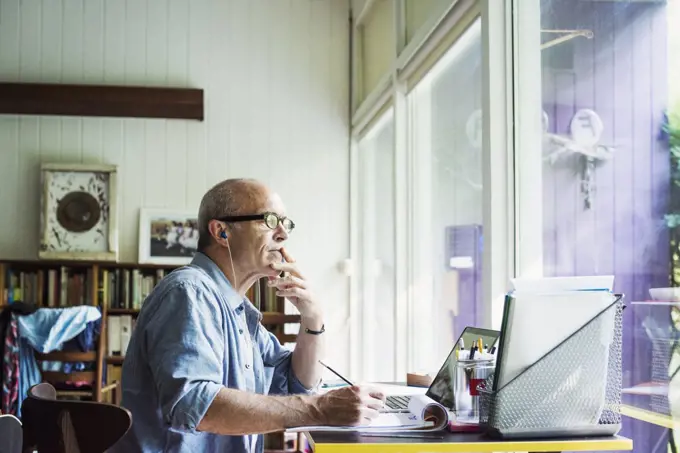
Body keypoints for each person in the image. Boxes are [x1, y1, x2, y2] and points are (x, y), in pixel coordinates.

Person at [112, 178, 385, 453]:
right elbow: (194, 405)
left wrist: (312, 318)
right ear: (221, 232)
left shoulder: (238, 311)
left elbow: (295, 384)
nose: (283, 234)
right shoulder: (190, 292)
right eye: (269, 220)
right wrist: (321, 409)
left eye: (286, 223)